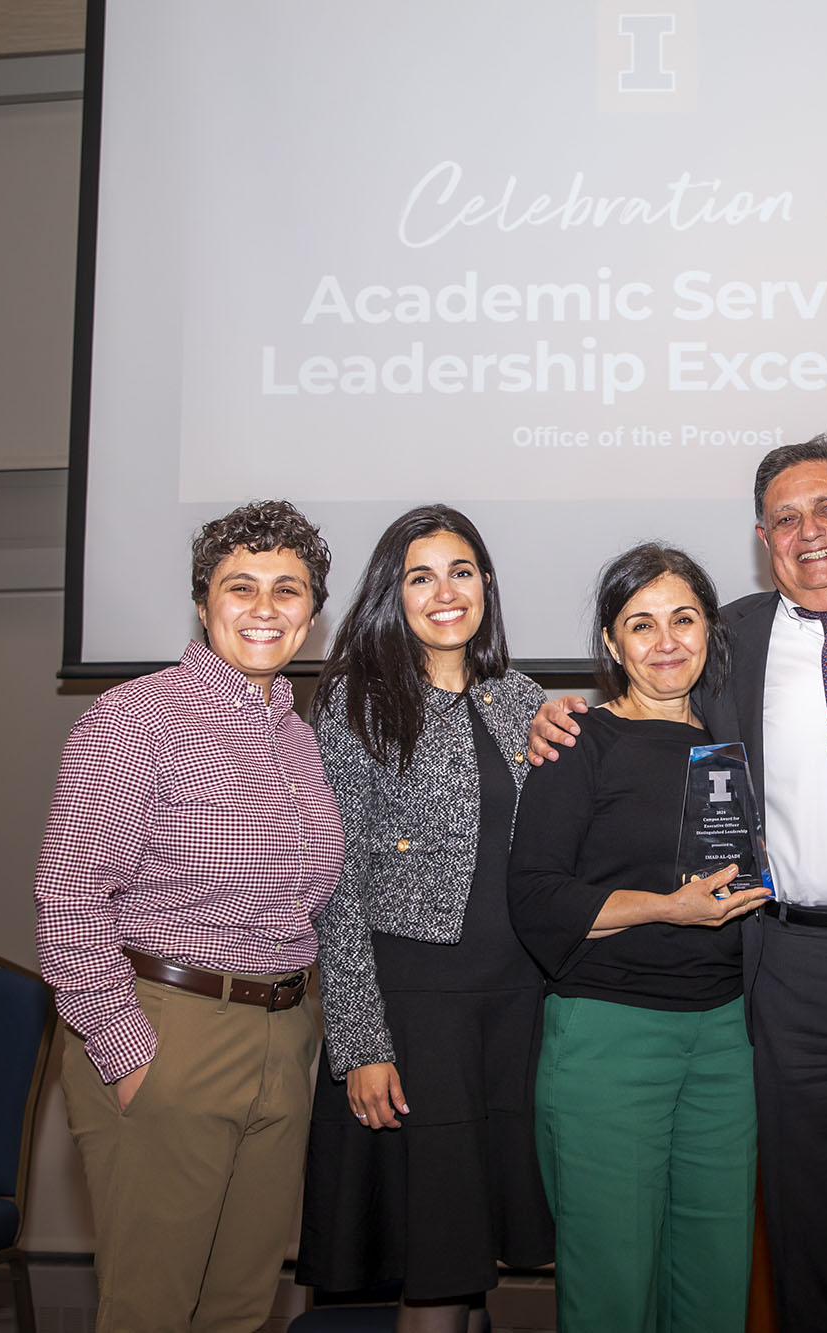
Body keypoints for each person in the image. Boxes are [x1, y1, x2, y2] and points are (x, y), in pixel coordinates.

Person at [531, 437, 827, 1333]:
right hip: (789, 969)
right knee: (806, 1234)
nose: (809, 532)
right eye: (785, 519)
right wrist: (546, 709)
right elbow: (641, 694)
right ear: (761, 537)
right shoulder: (726, 642)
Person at [35, 499, 340, 1333]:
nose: (266, 607)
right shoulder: (137, 717)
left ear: (314, 613)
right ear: (203, 603)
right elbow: (68, 899)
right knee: (150, 1311)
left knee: (241, 1306)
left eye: (289, 589)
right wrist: (130, 1054)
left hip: (282, 1033)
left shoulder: (299, 739)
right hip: (170, 1026)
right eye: (241, 587)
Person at [297, 505, 554, 1333]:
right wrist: (361, 1044)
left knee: (480, 1260)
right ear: (392, 593)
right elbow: (336, 886)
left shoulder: (526, 700)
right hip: (417, 1012)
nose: (445, 591)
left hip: (521, 1008)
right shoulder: (354, 703)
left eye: (462, 570)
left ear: (487, 585)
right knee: (436, 1267)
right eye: (421, 575)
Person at [507, 543, 772, 1333]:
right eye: (641, 624)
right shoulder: (577, 741)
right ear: (612, 644)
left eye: (683, 619)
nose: (666, 641)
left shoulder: (737, 744)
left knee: (717, 1282)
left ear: (709, 632)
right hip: (609, 1041)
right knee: (614, 1291)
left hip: (729, 1041)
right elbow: (537, 898)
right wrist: (666, 907)